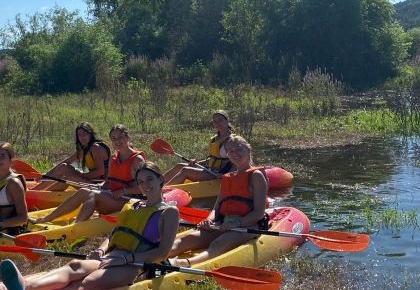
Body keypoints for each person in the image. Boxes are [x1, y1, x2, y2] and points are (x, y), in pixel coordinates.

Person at [0, 163, 179, 290]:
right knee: (74, 266)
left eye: (150, 179)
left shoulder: (169, 212)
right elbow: (114, 234)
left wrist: (128, 258)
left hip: (135, 265)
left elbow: (162, 251)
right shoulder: (134, 205)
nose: (145, 185)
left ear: (161, 179)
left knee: (89, 282)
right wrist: (100, 251)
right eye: (141, 181)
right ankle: (17, 288)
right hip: (111, 257)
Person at [169, 135, 268, 267]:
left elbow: (259, 213)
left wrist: (238, 223)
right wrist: (209, 220)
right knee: (186, 239)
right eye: (230, 151)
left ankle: (183, 263)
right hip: (224, 223)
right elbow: (216, 208)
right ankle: (155, 257)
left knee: (219, 243)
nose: (235, 153)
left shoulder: (256, 176)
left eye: (238, 149)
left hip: (248, 225)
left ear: (248, 150)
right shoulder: (227, 178)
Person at [35, 124, 145, 224]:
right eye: (114, 139)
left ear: (127, 137)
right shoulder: (114, 158)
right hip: (113, 196)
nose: (117, 141)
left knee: (93, 195)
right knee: (84, 190)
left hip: (129, 200)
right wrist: (99, 186)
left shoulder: (137, 160)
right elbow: (109, 181)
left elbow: (145, 187)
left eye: (120, 137)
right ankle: (48, 218)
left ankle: (75, 226)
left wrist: (123, 191)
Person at [164, 110, 234, 185]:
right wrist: (197, 163)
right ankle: (158, 183)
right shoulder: (214, 139)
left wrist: (227, 175)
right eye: (215, 121)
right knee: (179, 166)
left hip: (218, 174)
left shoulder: (233, 140)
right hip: (210, 170)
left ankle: (162, 192)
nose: (217, 123)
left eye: (220, 120)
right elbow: (212, 159)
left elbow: (237, 162)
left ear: (227, 120)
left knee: (185, 170)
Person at [36, 122, 110, 191]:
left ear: (90, 134)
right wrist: (46, 176)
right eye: (79, 135)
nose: (82, 137)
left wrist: (81, 175)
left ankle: (43, 194)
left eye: (84, 133)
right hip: (90, 180)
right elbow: (66, 162)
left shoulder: (95, 147)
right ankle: (36, 190)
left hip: (100, 185)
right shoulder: (84, 148)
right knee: (63, 167)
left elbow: (100, 172)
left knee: (69, 178)